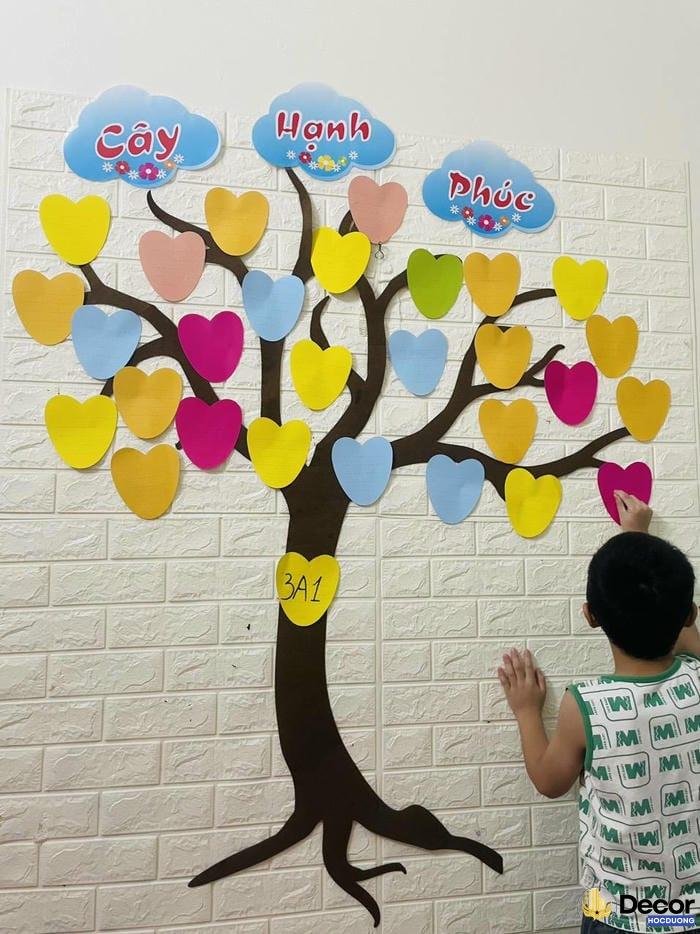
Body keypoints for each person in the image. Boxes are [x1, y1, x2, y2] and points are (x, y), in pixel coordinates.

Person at [498, 491, 700, 933]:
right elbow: (683, 632)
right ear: (691, 614)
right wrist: (637, 543)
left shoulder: (586, 704)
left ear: (590, 616)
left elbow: (550, 781)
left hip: (617, 915)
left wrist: (527, 710)